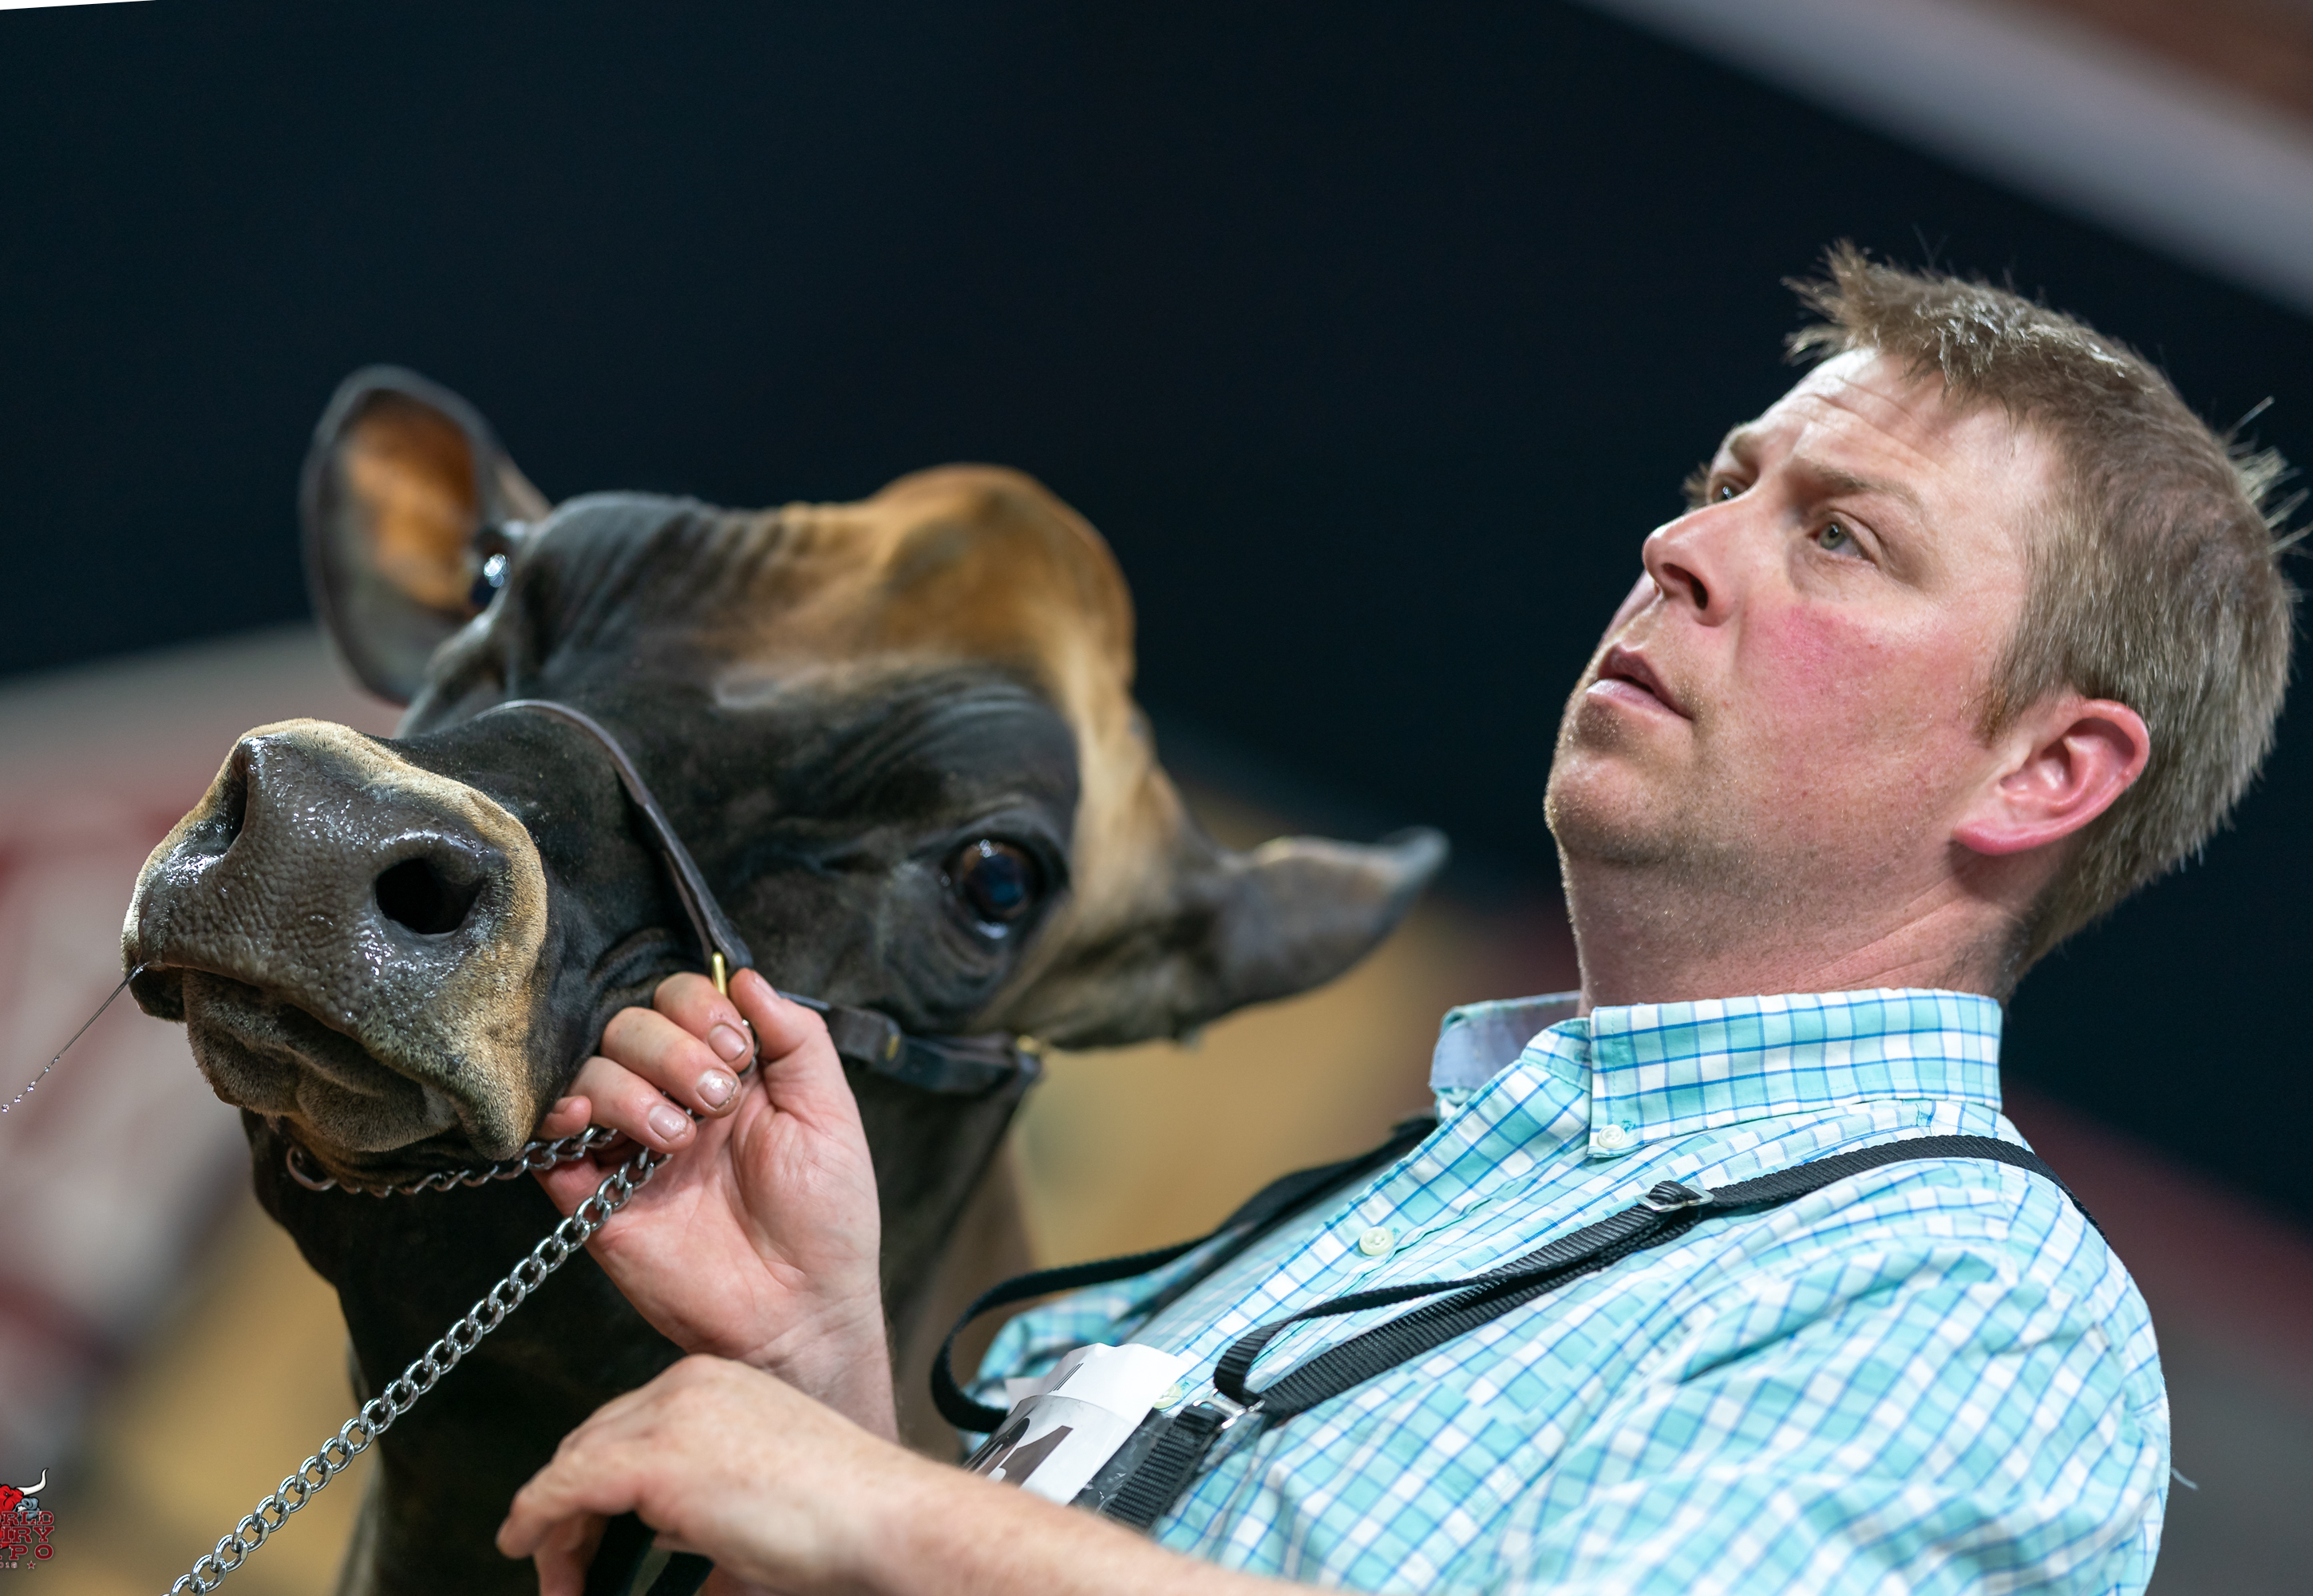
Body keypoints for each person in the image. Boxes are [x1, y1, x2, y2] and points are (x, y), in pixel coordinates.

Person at [494, 246, 2295, 1594]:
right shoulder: (1426, 1195)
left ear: (2048, 774)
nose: (1684, 548)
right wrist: (812, 1372)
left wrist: (880, 1508)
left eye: (1842, 536)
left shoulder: (1971, 1302)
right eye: (1723, 486)